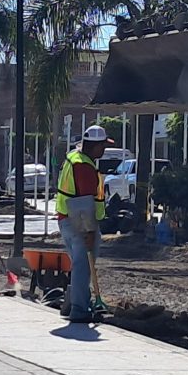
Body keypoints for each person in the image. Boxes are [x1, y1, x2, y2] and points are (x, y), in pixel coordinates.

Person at [55, 124, 111, 323]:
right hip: (79, 222)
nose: (104, 149)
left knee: (79, 265)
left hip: (66, 219)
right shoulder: (84, 167)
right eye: (102, 145)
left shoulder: (74, 158)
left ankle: (76, 302)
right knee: (83, 266)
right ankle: (79, 309)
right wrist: (89, 231)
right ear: (94, 146)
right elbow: (85, 201)